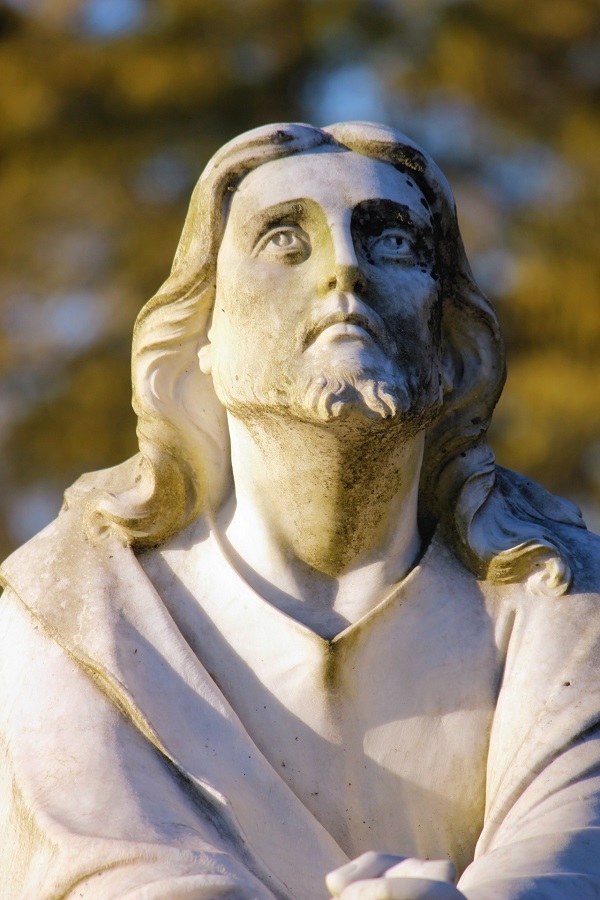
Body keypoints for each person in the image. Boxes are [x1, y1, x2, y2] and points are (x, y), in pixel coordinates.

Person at [1, 122, 600, 900]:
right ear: (202, 336)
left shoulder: (561, 592)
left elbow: (571, 855)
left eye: (390, 245)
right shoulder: (79, 608)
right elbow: (115, 874)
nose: (344, 269)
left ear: (451, 344)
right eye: (285, 241)